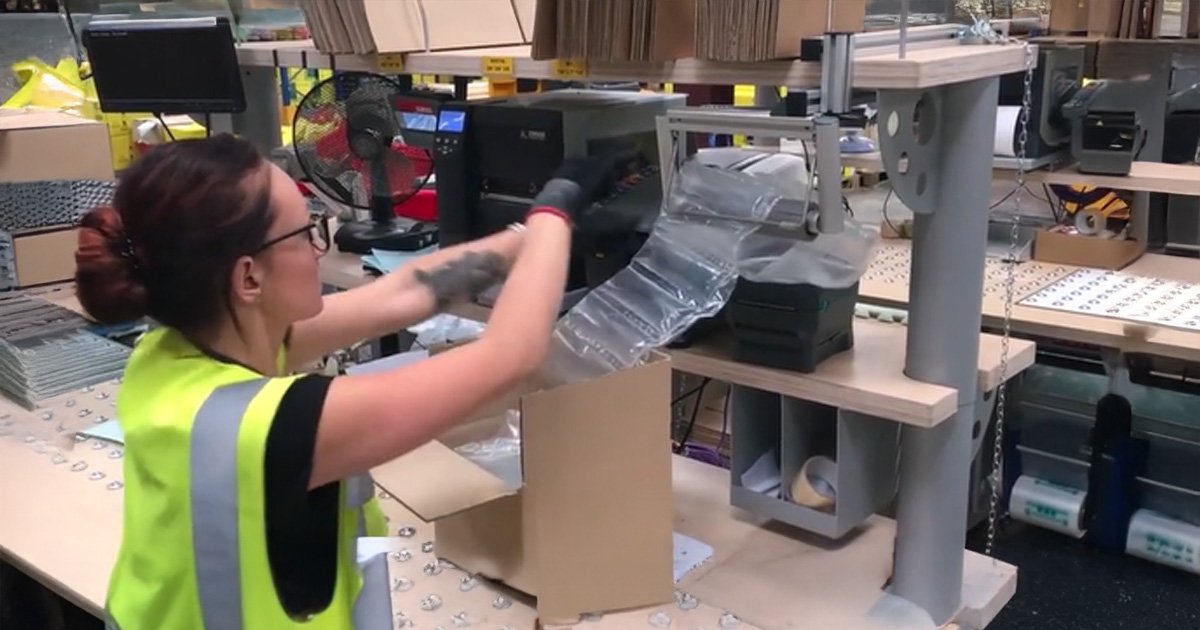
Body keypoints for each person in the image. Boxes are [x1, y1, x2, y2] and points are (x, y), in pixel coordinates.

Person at [74, 134, 626, 630]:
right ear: (248, 277)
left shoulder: (172, 350)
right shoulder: (277, 427)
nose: (321, 247)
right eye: (305, 232)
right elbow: (511, 355)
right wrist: (556, 215)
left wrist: (529, 236)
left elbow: (406, 291)